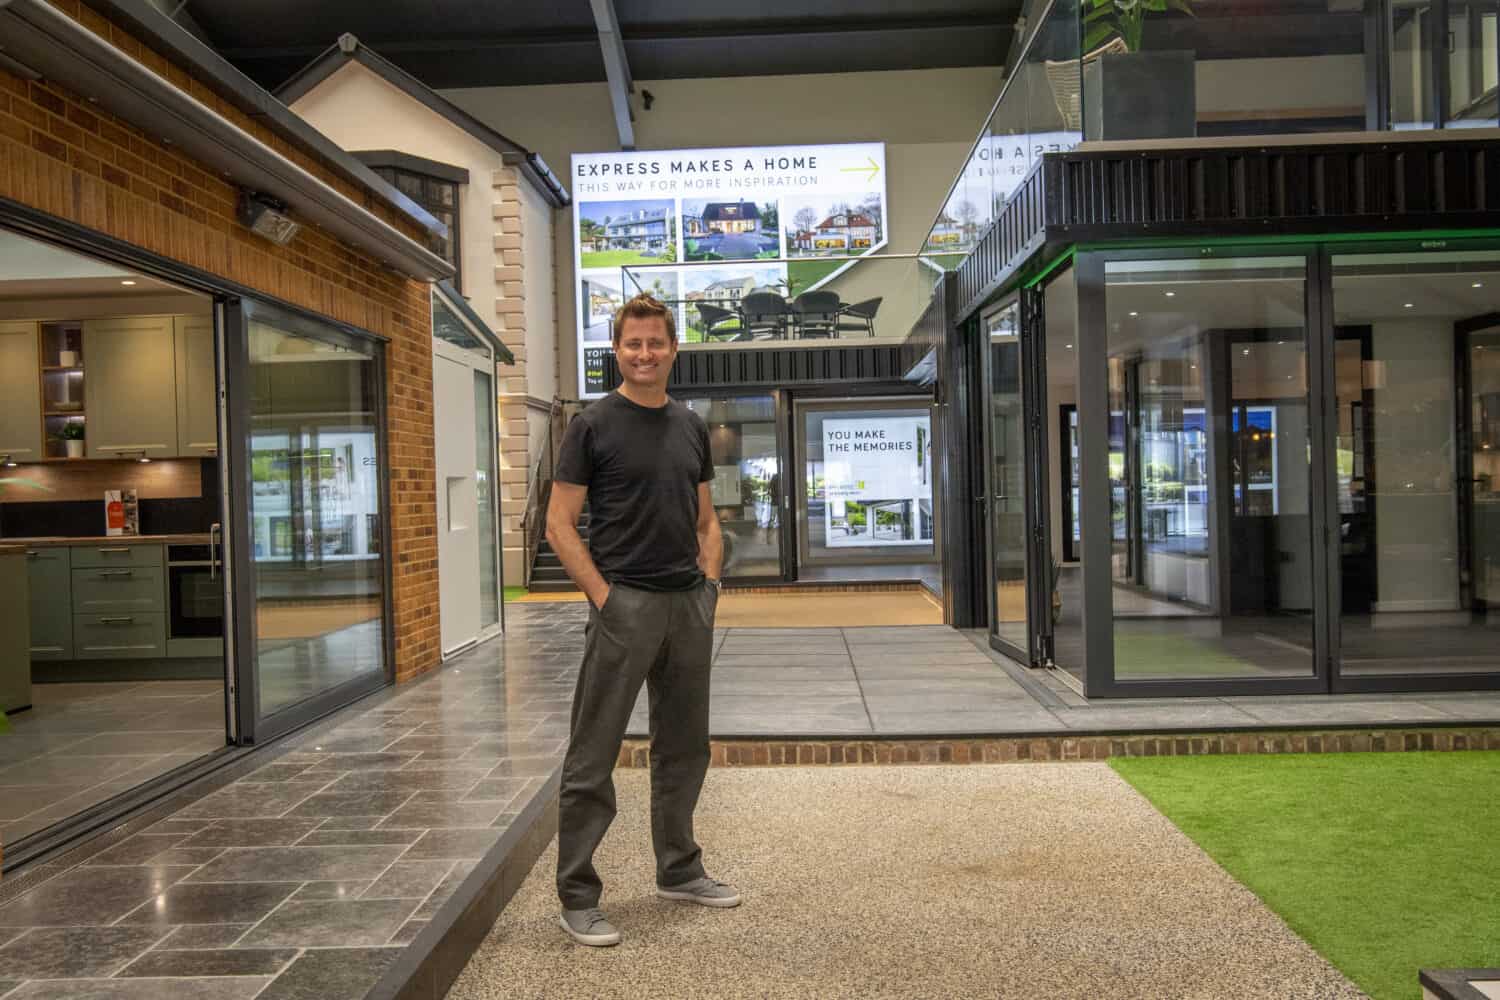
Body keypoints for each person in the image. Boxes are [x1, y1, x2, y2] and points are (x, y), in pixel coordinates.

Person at [546, 293, 739, 948]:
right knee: (592, 754)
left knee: (685, 747)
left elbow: (707, 519)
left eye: (656, 343)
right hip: (623, 603)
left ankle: (679, 870)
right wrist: (604, 596)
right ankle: (576, 894)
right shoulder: (592, 425)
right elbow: (558, 525)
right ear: (617, 350)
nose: (645, 353)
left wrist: (709, 586)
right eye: (633, 344)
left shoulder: (689, 424)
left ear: (672, 349)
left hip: (688, 604)